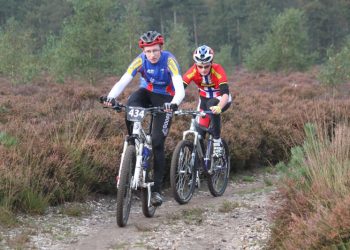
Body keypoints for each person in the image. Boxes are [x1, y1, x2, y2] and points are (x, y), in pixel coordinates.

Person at [102, 31, 185, 206]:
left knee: (156, 142)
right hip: (145, 93)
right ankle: (132, 147)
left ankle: (156, 191)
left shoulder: (169, 60)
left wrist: (174, 103)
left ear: (161, 49)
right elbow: (123, 81)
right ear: (144, 51)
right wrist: (111, 98)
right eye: (148, 51)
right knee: (131, 104)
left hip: (165, 99)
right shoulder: (140, 60)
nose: (152, 55)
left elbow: (180, 87)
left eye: (155, 50)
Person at [182, 45, 232, 157]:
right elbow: (180, 89)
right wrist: (172, 103)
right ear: (196, 64)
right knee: (199, 134)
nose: (203, 70)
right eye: (200, 66)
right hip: (203, 101)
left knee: (212, 105)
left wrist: (219, 106)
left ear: (211, 63)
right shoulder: (193, 71)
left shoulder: (218, 69)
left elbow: (225, 93)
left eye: (206, 66)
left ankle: (217, 141)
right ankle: (202, 164)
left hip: (221, 99)